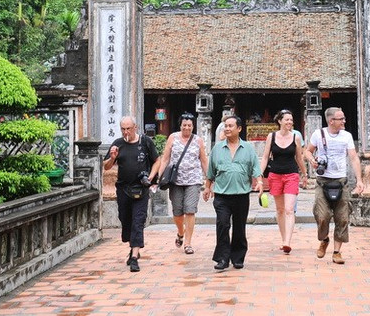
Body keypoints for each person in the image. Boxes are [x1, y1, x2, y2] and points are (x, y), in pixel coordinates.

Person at [203, 115, 263, 272]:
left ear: (239, 129)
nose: (227, 129)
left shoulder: (248, 149)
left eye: (230, 126)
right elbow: (211, 171)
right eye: (225, 126)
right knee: (222, 225)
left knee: (239, 227)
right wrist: (207, 187)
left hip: (241, 195)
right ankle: (222, 258)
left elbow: (256, 168)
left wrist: (260, 182)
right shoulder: (217, 149)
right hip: (222, 195)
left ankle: (237, 257)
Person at [306, 107, 364, 265]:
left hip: (341, 181)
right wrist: (312, 160)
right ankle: (324, 239)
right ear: (331, 121)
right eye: (341, 119)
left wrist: (359, 180)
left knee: (343, 217)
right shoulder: (319, 134)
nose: (344, 121)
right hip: (322, 181)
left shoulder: (347, 136)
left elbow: (353, 157)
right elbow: (307, 151)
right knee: (322, 215)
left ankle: (337, 251)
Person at [103, 116, 160, 272]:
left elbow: (157, 160)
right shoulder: (117, 144)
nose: (126, 132)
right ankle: (132, 246)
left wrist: (150, 176)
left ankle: (134, 257)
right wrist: (112, 158)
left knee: (138, 221)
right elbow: (106, 167)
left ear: (135, 127)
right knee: (125, 219)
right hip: (123, 189)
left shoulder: (146, 142)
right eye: (123, 129)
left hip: (141, 188)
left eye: (129, 128)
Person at [156, 112, 208, 255]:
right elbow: (165, 158)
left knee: (190, 210)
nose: (187, 128)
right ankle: (180, 232)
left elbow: (203, 160)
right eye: (184, 125)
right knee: (178, 211)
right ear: (180, 125)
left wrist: (209, 180)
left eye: (189, 125)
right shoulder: (173, 138)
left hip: (194, 180)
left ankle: (188, 243)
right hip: (175, 180)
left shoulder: (198, 140)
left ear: (193, 126)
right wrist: (158, 177)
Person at [259, 109, 307, 253]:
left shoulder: (296, 137)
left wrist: (304, 174)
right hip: (275, 175)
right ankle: (283, 238)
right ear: (279, 121)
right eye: (287, 120)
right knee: (280, 210)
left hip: (291, 175)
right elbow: (265, 157)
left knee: (289, 209)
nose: (290, 122)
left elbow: (299, 158)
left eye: (291, 120)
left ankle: (287, 241)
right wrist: (259, 176)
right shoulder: (271, 136)